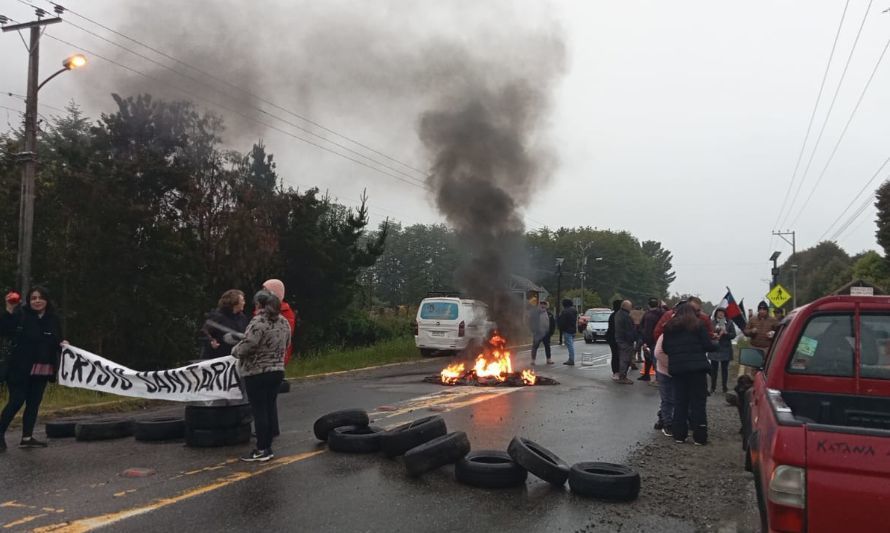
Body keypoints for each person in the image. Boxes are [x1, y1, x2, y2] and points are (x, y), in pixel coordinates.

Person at [0, 287, 65, 450]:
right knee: (16, 401)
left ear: (47, 300)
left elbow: (58, 339)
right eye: (33, 298)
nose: (37, 301)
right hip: (19, 368)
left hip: (43, 368)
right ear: (29, 301)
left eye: (41, 298)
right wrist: (9, 308)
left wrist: (64, 345)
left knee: (34, 403)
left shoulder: (53, 318)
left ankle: (27, 437)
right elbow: (4, 329)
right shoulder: (21, 314)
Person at [232, 290, 291, 463]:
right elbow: (287, 344)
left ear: (260, 305)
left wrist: (234, 349)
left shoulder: (258, 322)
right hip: (277, 371)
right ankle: (268, 444)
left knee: (259, 411)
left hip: (257, 372)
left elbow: (247, 346)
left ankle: (262, 448)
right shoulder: (284, 322)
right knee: (268, 406)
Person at [662, 303, 719, 445]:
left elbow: (665, 348)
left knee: (680, 402)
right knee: (698, 402)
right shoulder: (698, 325)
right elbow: (707, 346)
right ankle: (700, 437)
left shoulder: (669, 327)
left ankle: (679, 435)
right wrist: (717, 343)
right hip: (697, 369)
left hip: (678, 370)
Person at [201, 289, 249, 359]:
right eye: (242, 300)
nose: (244, 303)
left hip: (235, 357)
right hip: (218, 358)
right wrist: (211, 341)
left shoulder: (242, 318)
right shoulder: (217, 316)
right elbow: (204, 331)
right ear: (234, 302)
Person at [261, 279, 297, 365]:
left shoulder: (285, 312)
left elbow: (282, 335)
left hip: (275, 357)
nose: (262, 293)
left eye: (265, 291)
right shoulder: (262, 309)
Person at [708, 308, 737, 393]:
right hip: (714, 347)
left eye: (722, 313)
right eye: (719, 312)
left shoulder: (729, 323)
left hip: (725, 348)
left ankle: (724, 387)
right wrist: (714, 334)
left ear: (725, 314)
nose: (721, 314)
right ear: (716, 313)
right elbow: (707, 333)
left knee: (724, 369)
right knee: (714, 369)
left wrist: (726, 333)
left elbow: (733, 335)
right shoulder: (711, 322)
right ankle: (713, 387)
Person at [639, 297, 664, 382]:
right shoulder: (661, 313)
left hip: (650, 340)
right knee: (653, 359)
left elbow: (646, 329)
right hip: (659, 339)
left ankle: (656, 379)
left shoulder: (648, 315)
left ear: (648, 305)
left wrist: (645, 341)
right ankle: (648, 375)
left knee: (652, 359)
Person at [653, 333, 673, 436]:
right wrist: (672, 365)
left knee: (669, 398)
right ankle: (668, 423)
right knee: (668, 399)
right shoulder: (666, 335)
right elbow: (658, 352)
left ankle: (663, 419)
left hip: (676, 370)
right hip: (666, 370)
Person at [613, 300, 636, 384]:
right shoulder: (626, 316)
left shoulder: (618, 314)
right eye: (630, 306)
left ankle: (622, 375)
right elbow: (629, 330)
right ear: (627, 306)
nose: (631, 308)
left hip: (619, 338)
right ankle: (622, 376)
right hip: (625, 340)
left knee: (623, 357)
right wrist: (633, 338)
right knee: (625, 358)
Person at [528, 301, 555, 365]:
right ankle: (533, 360)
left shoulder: (550, 314)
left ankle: (549, 359)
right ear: (539, 305)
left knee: (547, 347)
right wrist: (533, 330)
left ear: (547, 306)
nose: (543, 306)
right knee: (535, 346)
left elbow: (553, 324)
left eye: (544, 304)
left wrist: (551, 332)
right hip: (538, 333)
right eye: (541, 304)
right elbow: (530, 322)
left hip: (546, 333)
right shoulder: (535, 314)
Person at [557, 299, 578, 366]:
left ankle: (571, 359)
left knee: (570, 345)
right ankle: (571, 359)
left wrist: (561, 328)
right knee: (570, 344)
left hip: (567, 330)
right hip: (573, 329)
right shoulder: (574, 310)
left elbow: (563, 321)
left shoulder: (565, 311)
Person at [605, 300, 621, 380]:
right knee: (617, 355)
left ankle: (616, 372)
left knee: (615, 355)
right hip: (616, 338)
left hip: (612, 338)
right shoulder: (619, 315)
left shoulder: (612, 315)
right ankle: (617, 372)